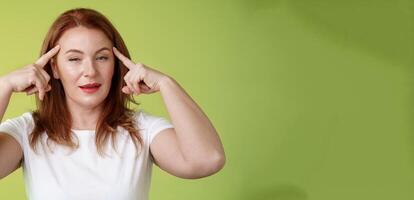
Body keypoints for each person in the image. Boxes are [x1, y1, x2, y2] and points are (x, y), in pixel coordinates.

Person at [0, 8, 225, 200]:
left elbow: (208, 160)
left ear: (116, 65)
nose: (90, 71)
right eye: (74, 59)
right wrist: (5, 85)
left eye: (102, 57)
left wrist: (167, 84)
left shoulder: (142, 130)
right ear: (55, 68)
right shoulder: (27, 131)